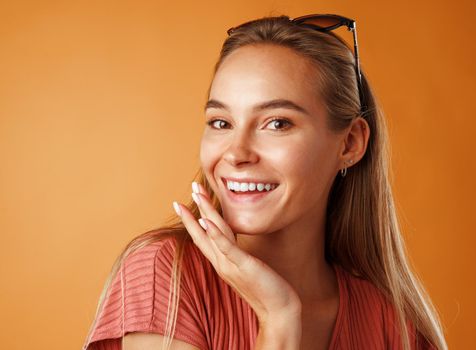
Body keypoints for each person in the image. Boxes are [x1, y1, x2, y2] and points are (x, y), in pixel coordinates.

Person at [82, 14, 447, 350]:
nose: (236, 153)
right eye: (221, 122)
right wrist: (279, 318)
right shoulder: (167, 272)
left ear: (349, 144)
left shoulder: (391, 322)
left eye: (277, 123)